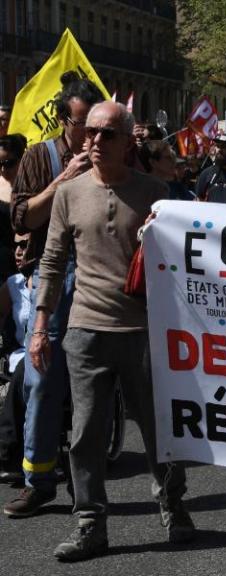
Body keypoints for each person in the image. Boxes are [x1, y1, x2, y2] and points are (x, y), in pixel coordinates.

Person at [35, 100, 194, 561]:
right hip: (86, 329)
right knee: (85, 431)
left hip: (144, 330)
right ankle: (90, 523)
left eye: (107, 134)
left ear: (128, 142)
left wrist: (161, 236)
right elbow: (52, 261)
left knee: (157, 427)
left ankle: (172, 502)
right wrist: (41, 325)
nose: (96, 141)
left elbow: (186, 256)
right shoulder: (68, 193)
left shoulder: (156, 192)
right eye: (90, 133)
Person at [5, 71, 104, 518]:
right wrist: (64, 178)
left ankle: (91, 486)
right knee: (42, 378)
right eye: (86, 125)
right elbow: (23, 219)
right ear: (66, 119)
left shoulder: (117, 154)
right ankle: (38, 479)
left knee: (98, 383)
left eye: (102, 127)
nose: (94, 135)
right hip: (53, 276)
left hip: (102, 276)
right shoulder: (39, 157)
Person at [0, 234, 36, 484]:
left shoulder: (61, 282)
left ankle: (7, 450)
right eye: (16, 246)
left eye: (25, 246)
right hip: (20, 355)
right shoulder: (11, 285)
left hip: (52, 354)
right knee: (24, 366)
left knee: (29, 367)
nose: (18, 251)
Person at [0, 134, 26, 277]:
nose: (3, 170)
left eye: (9, 163)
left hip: (25, 259)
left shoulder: (34, 186)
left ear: (21, 159)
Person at [195, 133, 226, 203]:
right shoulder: (207, 174)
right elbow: (199, 201)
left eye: (223, 146)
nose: (219, 150)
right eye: (217, 146)